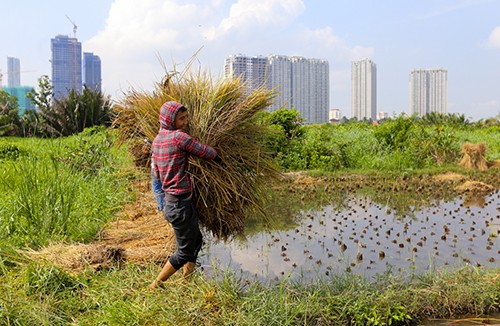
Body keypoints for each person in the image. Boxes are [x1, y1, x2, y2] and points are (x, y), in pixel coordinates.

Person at [149, 100, 219, 290]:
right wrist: (218, 154)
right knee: (184, 252)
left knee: (196, 241)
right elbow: (205, 152)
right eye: (181, 119)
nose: (185, 122)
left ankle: (187, 284)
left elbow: (155, 175)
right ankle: (155, 285)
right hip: (180, 205)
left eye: (186, 117)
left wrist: (160, 201)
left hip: (171, 204)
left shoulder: (157, 141)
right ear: (170, 119)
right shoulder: (179, 137)